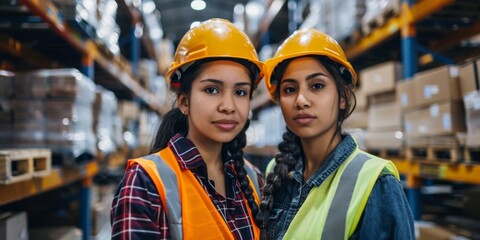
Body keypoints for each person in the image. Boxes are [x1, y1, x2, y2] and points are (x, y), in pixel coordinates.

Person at [110, 18, 265, 240]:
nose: (228, 106)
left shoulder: (253, 179)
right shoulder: (145, 183)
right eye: (212, 90)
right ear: (184, 102)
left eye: (240, 92)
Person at [256, 28, 415, 239]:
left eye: (317, 85)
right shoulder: (276, 172)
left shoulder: (376, 183)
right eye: (289, 89)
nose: (301, 100)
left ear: (342, 98)